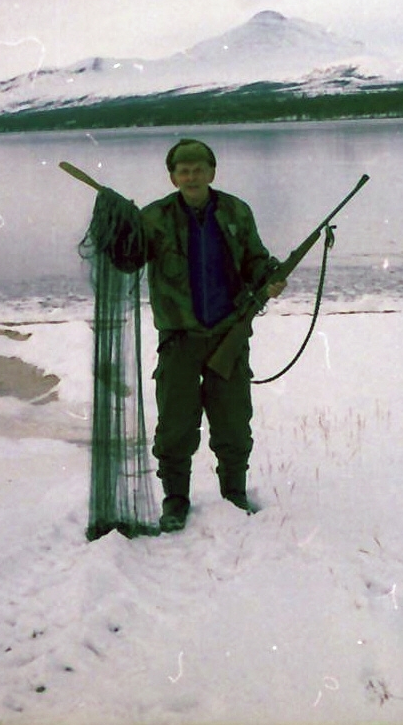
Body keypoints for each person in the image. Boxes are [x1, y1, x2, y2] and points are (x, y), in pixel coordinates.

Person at [112, 138, 285, 533]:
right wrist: (120, 223)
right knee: (174, 425)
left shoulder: (237, 211)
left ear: (212, 171)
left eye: (198, 168)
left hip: (229, 334)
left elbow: (255, 260)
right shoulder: (153, 217)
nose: (191, 175)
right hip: (179, 340)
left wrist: (269, 277)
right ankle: (175, 502)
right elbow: (127, 261)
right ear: (173, 176)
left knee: (234, 421)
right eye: (183, 170)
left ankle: (234, 494)